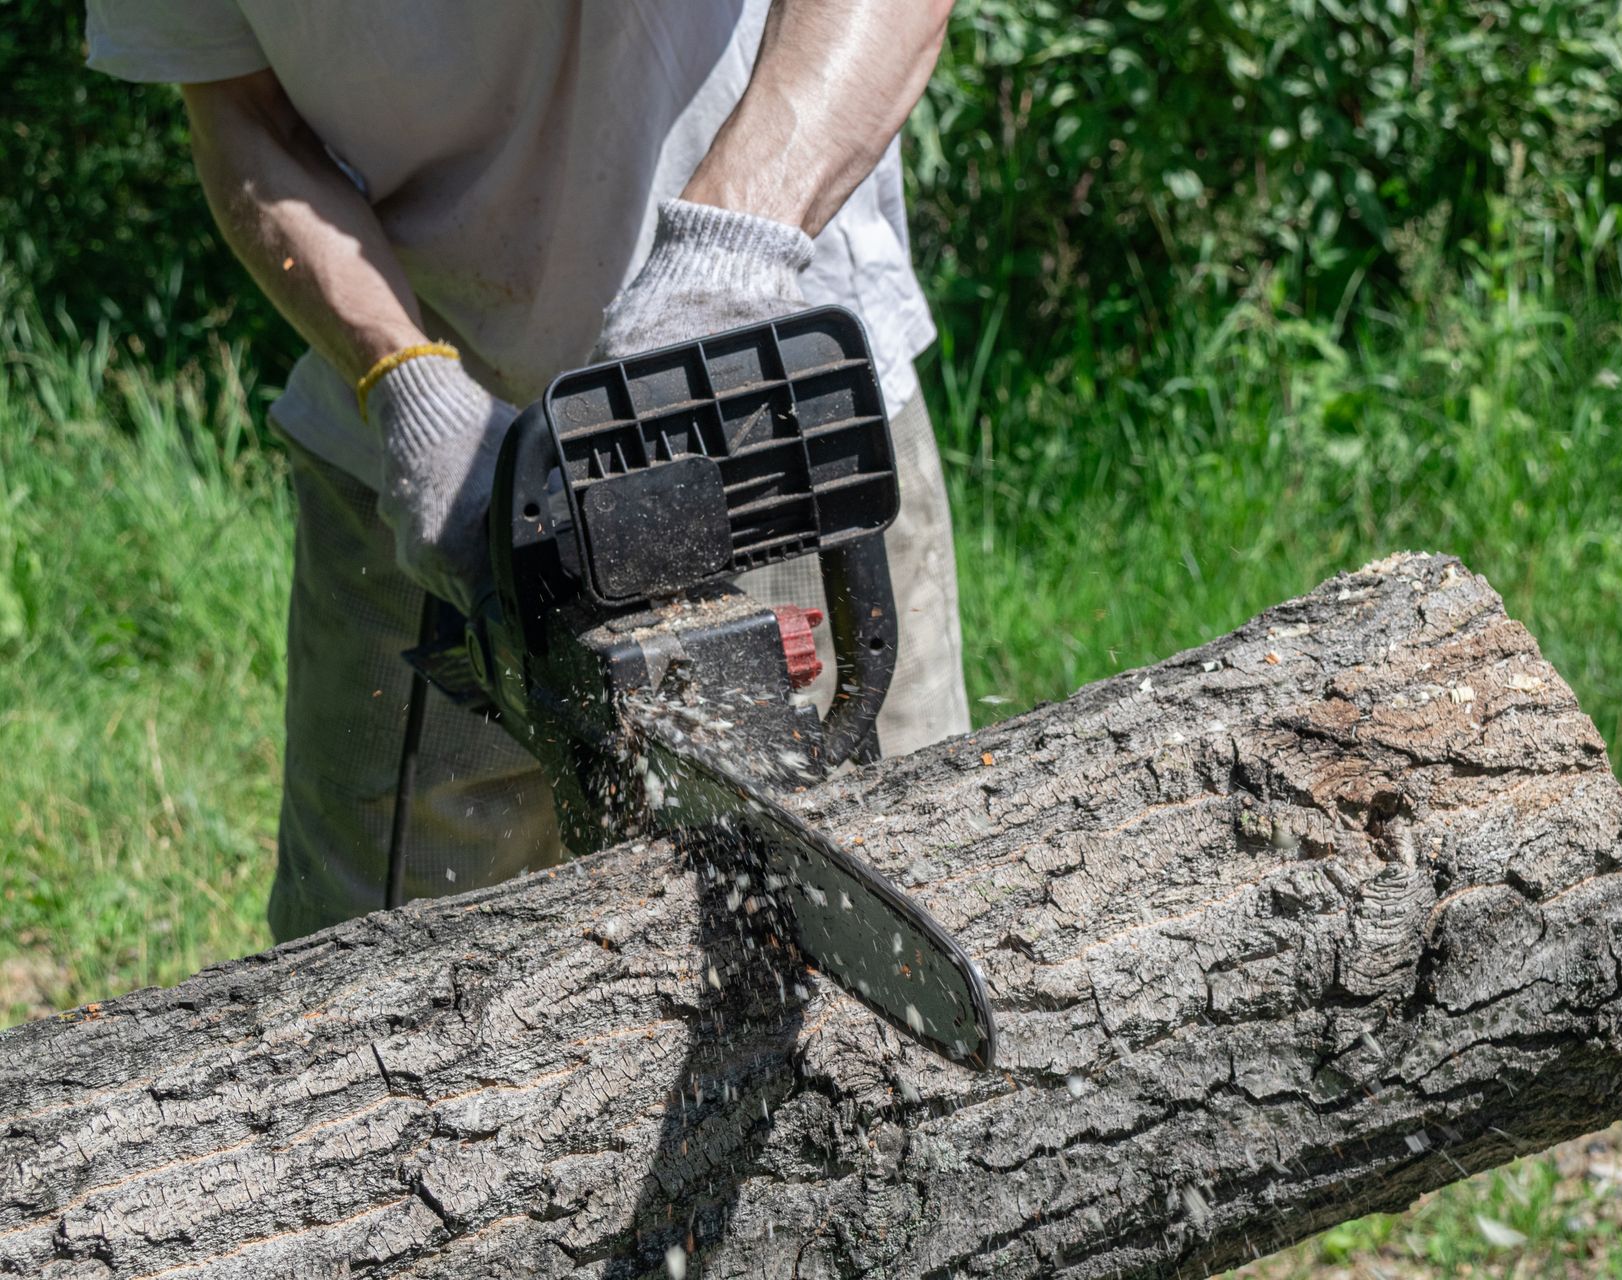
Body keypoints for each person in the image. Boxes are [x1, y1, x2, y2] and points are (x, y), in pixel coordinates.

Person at [83, 1, 969, 941]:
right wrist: (404, 382)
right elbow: (239, 109)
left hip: (766, 397)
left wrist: (732, 249)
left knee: (889, 883)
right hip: (434, 465)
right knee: (385, 971)